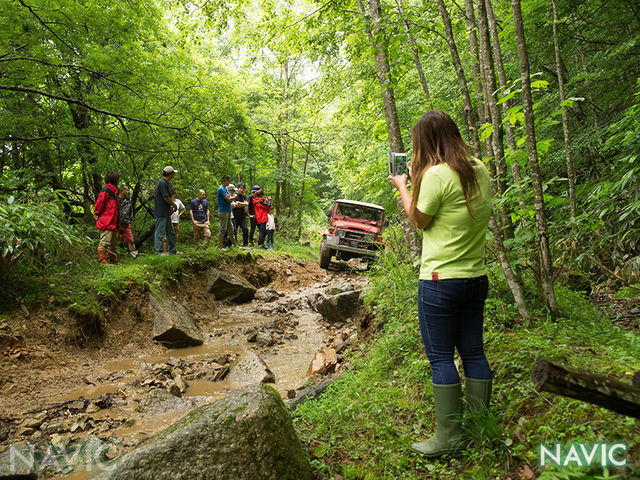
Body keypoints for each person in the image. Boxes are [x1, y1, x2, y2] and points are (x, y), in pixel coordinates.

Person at [389, 110, 492, 458]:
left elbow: (419, 219)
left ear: (424, 142)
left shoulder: (435, 174)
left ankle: (448, 438)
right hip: (476, 276)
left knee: (441, 359)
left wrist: (404, 185)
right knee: (474, 352)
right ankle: (479, 428)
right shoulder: (479, 167)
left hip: (439, 281)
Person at [94, 171, 120, 265]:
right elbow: (99, 203)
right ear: (114, 180)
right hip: (106, 221)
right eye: (118, 180)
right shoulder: (106, 190)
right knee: (105, 241)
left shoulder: (115, 192)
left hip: (114, 221)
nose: (119, 182)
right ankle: (102, 260)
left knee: (114, 242)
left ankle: (113, 259)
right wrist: (97, 213)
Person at [154, 166, 178, 255]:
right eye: (173, 173)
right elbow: (166, 197)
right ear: (170, 173)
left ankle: (173, 250)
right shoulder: (162, 183)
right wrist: (174, 205)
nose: (174, 175)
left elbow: (169, 197)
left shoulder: (168, 183)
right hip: (161, 211)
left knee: (170, 231)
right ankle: (158, 251)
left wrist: (171, 207)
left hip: (167, 212)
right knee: (160, 232)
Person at [217, 176, 238, 250]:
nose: (229, 182)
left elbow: (229, 198)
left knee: (231, 229)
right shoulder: (221, 189)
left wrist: (233, 197)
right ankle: (220, 247)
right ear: (224, 181)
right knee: (223, 229)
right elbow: (228, 199)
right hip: (223, 211)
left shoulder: (225, 189)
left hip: (228, 211)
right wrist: (235, 197)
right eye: (228, 181)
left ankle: (236, 246)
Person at [118, 186, 138, 259]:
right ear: (122, 191)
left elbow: (131, 213)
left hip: (126, 224)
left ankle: (135, 256)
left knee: (131, 240)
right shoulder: (116, 200)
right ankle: (113, 256)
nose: (128, 192)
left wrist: (130, 221)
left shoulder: (128, 202)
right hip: (117, 224)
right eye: (126, 190)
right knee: (115, 240)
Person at [231, 183, 249, 247]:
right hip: (235, 216)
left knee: (245, 229)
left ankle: (245, 244)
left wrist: (239, 204)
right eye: (241, 188)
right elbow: (234, 204)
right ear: (238, 188)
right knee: (234, 230)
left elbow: (247, 204)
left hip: (242, 217)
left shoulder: (244, 196)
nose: (242, 190)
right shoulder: (234, 195)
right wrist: (242, 204)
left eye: (243, 189)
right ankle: (235, 245)